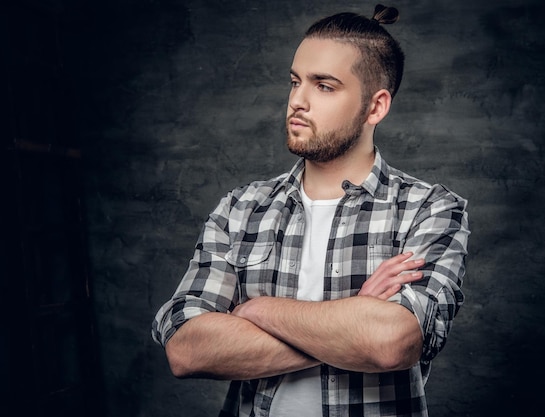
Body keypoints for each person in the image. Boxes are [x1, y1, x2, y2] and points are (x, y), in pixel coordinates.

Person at [152, 4, 470, 416]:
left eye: (324, 86)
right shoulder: (240, 208)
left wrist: (256, 310)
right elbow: (187, 351)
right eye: (295, 81)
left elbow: (392, 343)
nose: (297, 101)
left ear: (376, 107)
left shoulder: (428, 209)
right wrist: (353, 316)